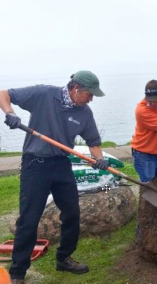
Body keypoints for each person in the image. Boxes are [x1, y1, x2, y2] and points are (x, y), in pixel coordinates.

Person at [0, 70, 109, 284]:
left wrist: (100, 159)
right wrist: (10, 113)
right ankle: (18, 273)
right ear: (76, 89)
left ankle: (64, 258)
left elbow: (93, 142)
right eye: (89, 94)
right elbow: (4, 94)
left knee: (72, 213)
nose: (91, 99)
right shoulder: (43, 94)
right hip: (35, 164)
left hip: (61, 164)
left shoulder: (84, 113)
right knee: (29, 219)